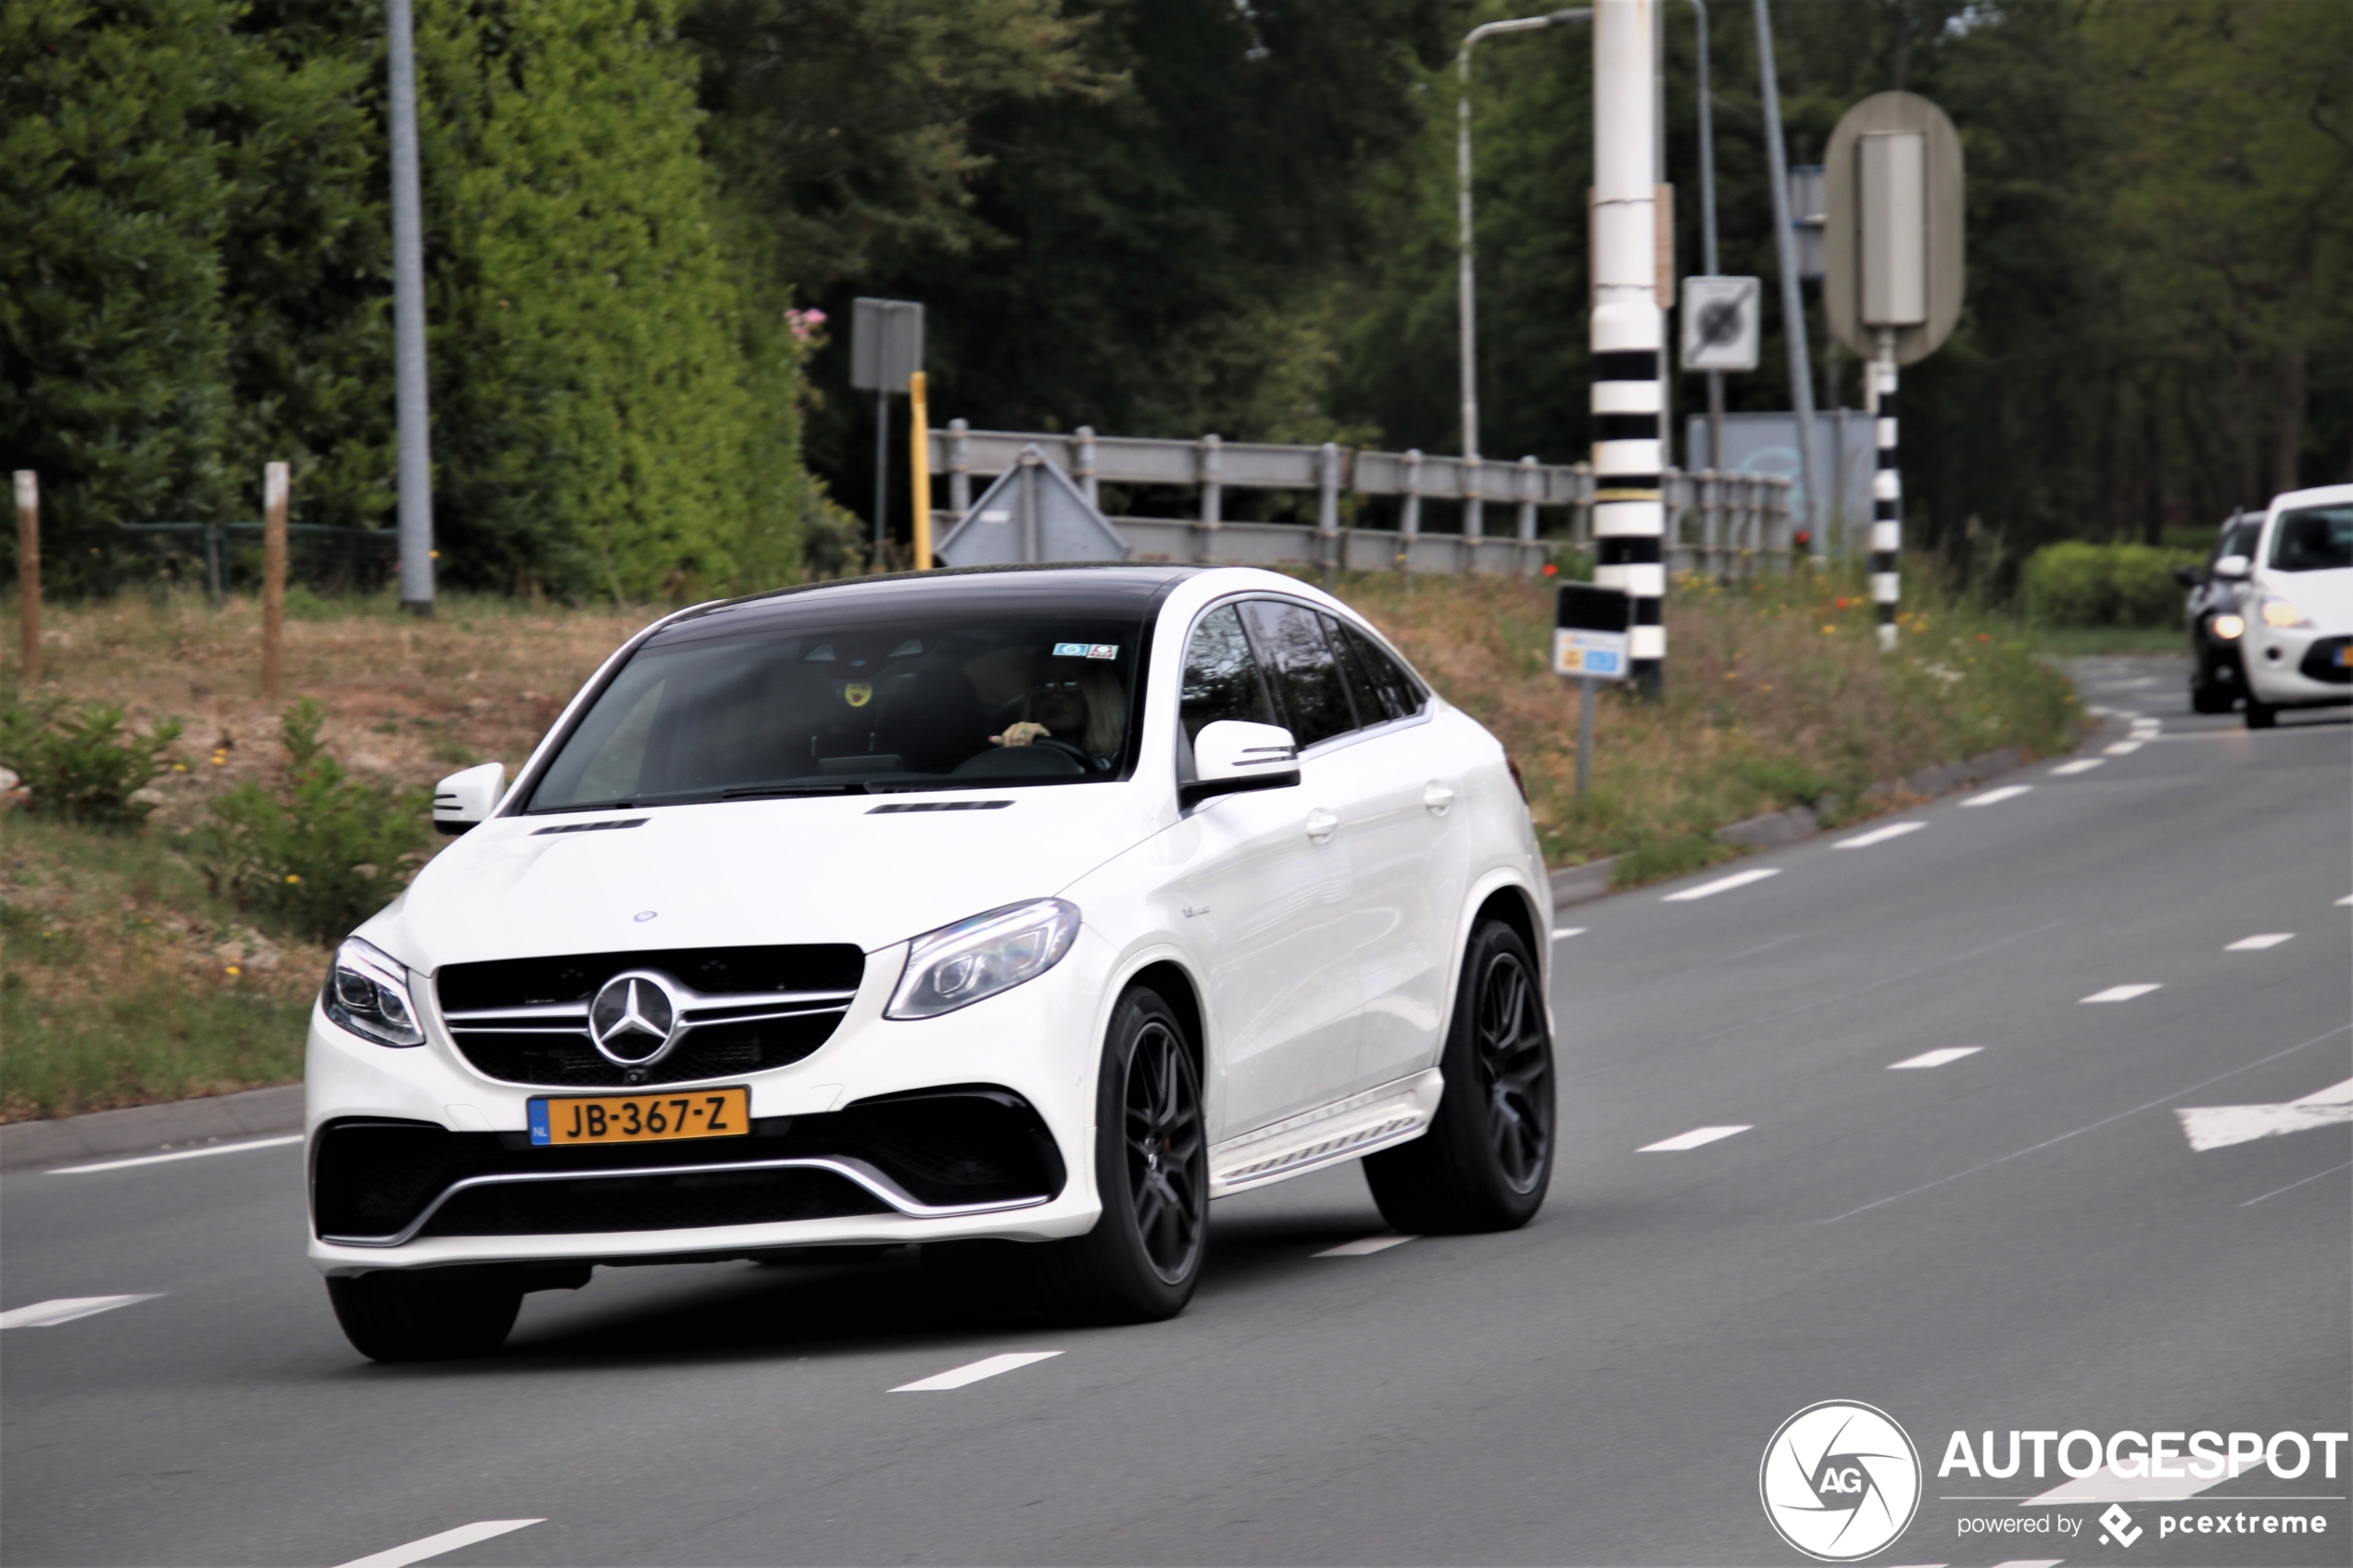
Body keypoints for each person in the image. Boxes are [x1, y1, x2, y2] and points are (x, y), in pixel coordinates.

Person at [991, 663, 1126, 768]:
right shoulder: (1021, 753)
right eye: (1042, 686)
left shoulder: (1131, 760)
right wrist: (1018, 753)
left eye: (1071, 684)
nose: (1055, 696)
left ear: (1099, 696)